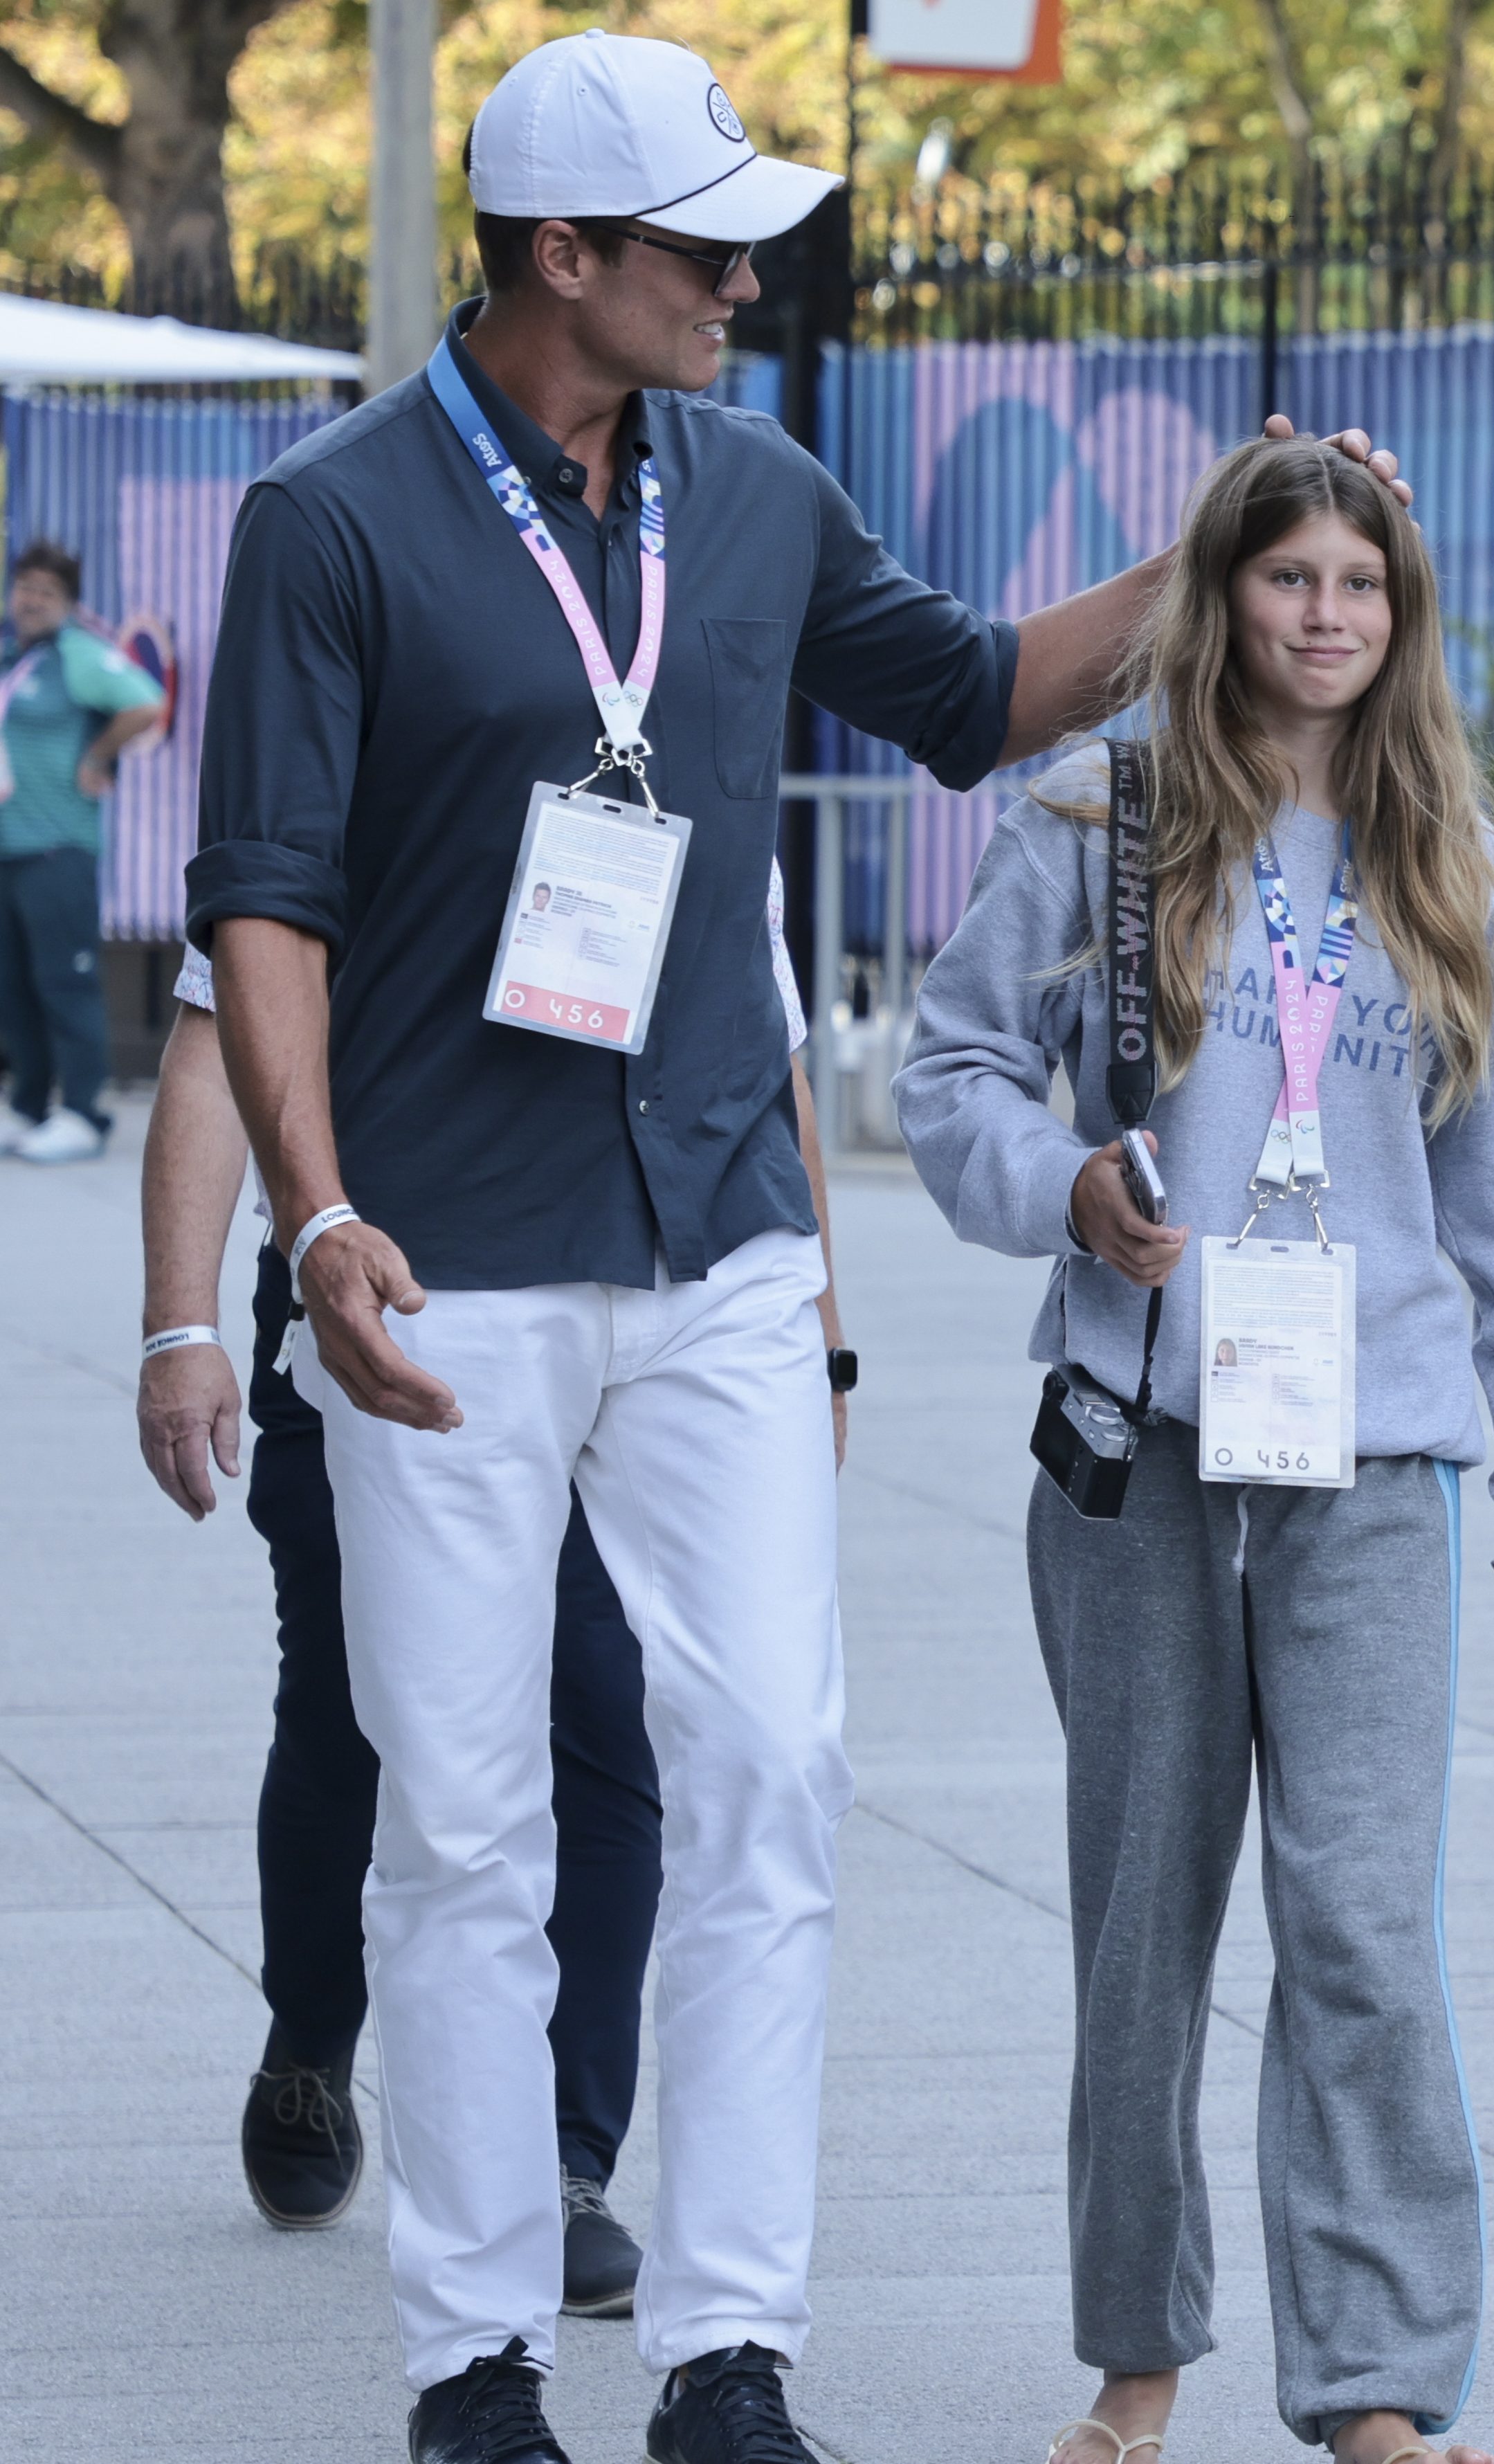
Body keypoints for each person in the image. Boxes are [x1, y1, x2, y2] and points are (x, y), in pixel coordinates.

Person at [183, 30, 1412, 2461]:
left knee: (766, 1765)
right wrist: (308, 1215)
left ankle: (728, 2351)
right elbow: (264, 908)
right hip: (443, 1267)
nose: (750, 281)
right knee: (463, 1822)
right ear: (564, 258)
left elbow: (968, 700)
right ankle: (473, 2363)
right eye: (702, 246)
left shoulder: (748, 491)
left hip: (722, 1237)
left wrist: (1224, 539)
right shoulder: (325, 521)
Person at [895, 435, 1494, 2464]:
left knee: (1365, 1924)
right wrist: (1063, 1185)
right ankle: (1136, 2357)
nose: (1325, 615)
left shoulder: (1447, 854)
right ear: (1221, 595)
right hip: (1138, 1456)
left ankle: (1381, 2383)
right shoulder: (1105, 817)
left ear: (1401, 619)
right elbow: (943, 1065)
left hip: (1375, 1471)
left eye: (1361, 586)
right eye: (1289, 577)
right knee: (1145, 1922)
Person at [137, 866, 830, 2317]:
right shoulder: (373, 698)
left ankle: (564, 2160)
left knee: (605, 1700)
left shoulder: (690, 695)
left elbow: (768, 1050)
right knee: (353, 1711)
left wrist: (816, 1328)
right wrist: (181, 1323)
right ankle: (314, 2036)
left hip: (644, 1296)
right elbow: (216, 1039)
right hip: (382, 1284)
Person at [0, 538, 165, 1162]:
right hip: (8, 849)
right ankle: (29, 1107)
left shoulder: (80, 654)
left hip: (58, 847)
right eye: (25, 587)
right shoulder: (15, 657)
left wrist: (99, 755)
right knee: (12, 988)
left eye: (47, 591)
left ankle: (84, 1113)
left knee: (64, 983)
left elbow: (147, 703)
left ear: (68, 603)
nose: (32, 599)